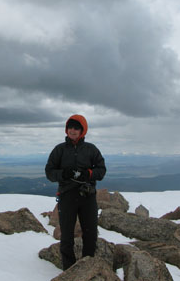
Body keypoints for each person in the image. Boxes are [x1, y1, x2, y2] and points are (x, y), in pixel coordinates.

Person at [45, 114, 106, 270]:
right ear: (66, 129)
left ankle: (87, 268)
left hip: (88, 195)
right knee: (66, 236)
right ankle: (69, 270)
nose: (72, 130)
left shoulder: (91, 149)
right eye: (70, 127)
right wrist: (63, 174)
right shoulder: (59, 150)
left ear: (82, 130)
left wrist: (89, 174)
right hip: (67, 195)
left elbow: (101, 169)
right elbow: (49, 172)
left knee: (90, 234)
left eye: (76, 128)